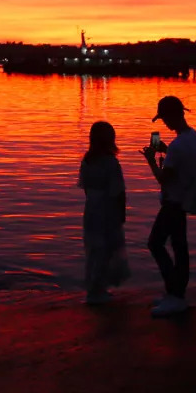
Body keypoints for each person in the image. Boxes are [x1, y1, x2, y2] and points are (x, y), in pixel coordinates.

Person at [141, 96, 196, 317]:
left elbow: (163, 179)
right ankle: (176, 294)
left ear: (172, 116)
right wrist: (167, 152)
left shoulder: (177, 146)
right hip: (183, 199)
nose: (164, 123)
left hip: (172, 202)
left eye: (165, 118)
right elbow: (186, 164)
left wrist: (150, 159)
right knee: (179, 248)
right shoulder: (194, 137)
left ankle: (175, 295)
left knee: (155, 243)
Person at [78, 121, 130, 305]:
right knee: (107, 248)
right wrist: (121, 214)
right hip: (108, 209)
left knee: (94, 248)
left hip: (91, 208)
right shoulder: (111, 162)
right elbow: (118, 191)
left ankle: (94, 287)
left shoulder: (86, 161)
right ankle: (98, 290)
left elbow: (85, 188)